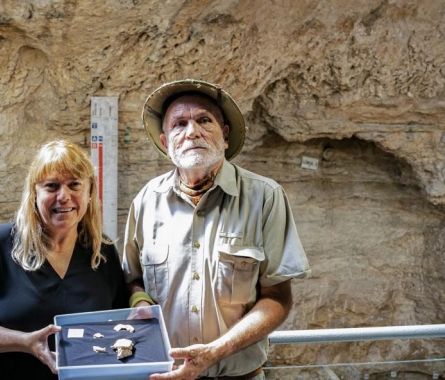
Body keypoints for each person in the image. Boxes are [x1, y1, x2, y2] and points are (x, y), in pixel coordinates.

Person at [123, 79, 311, 380]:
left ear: (224, 136)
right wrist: (140, 301)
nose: (192, 131)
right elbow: (132, 280)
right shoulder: (146, 201)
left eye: (204, 120)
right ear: (164, 142)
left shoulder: (265, 196)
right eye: (179, 124)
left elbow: (278, 297)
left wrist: (215, 352)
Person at [0, 140, 128, 380]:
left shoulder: (101, 251)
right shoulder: (2, 244)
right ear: (34, 193)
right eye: (52, 186)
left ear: (90, 191)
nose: (64, 196)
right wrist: (25, 342)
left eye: (74, 185)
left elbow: (121, 327)